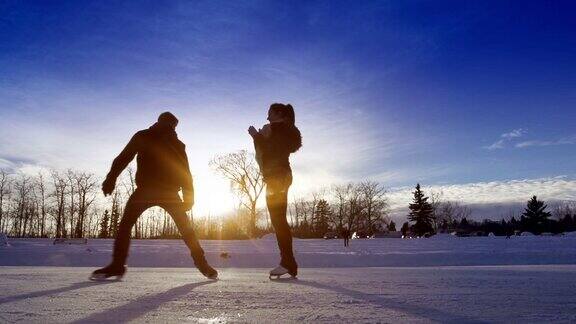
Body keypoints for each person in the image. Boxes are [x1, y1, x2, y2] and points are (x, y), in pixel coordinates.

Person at [91, 112, 217, 280]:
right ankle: (203, 264)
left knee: (126, 225)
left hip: (151, 190)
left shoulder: (153, 138)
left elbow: (123, 158)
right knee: (186, 229)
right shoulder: (169, 142)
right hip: (163, 192)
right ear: (171, 125)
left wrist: (111, 178)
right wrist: (189, 197)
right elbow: (185, 173)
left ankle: (117, 265)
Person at [248, 103, 302, 278]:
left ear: (279, 113)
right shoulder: (281, 129)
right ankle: (289, 263)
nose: (267, 117)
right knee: (278, 221)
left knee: (278, 221)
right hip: (278, 177)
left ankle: (288, 262)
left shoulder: (280, 130)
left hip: (278, 177)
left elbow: (271, 149)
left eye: (269, 113)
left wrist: (257, 136)